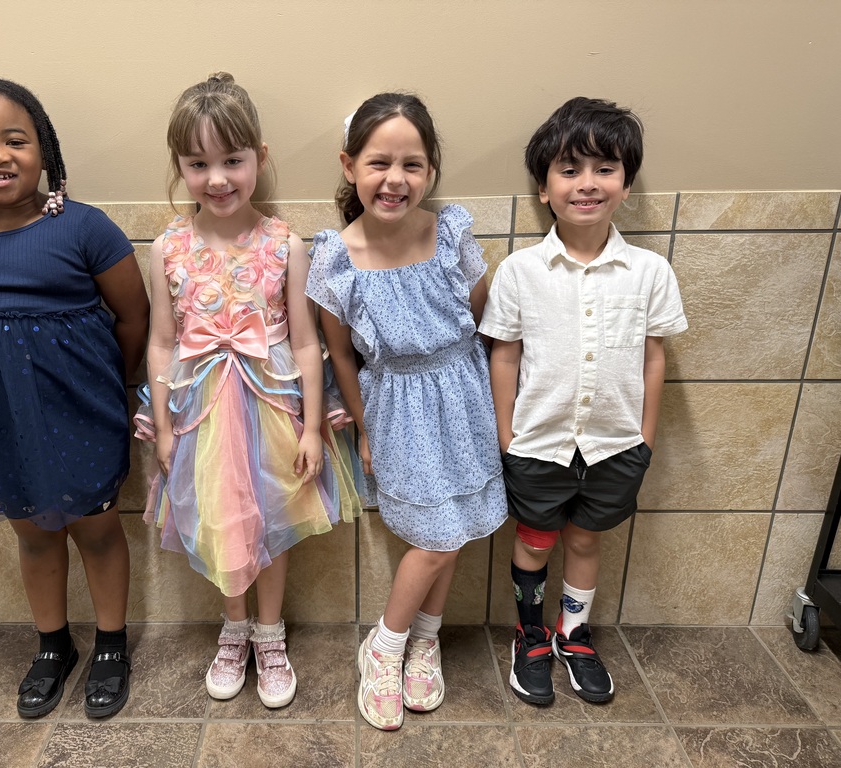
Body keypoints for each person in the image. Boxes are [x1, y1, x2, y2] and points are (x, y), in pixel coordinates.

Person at [0, 77, 149, 719]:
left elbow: (133, 317)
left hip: (83, 407)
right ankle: (51, 644)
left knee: (95, 529)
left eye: (14, 140)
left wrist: (112, 388)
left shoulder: (85, 228)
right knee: (34, 532)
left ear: (43, 150)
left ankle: (110, 642)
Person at [135, 73, 360, 710]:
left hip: (272, 409)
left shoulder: (285, 245)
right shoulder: (168, 249)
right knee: (220, 519)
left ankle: (270, 632)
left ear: (259, 159)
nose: (218, 178)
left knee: (273, 517)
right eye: (198, 164)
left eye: (232, 160)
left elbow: (310, 343)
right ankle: (233, 629)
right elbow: (160, 342)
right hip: (200, 413)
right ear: (179, 167)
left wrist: (314, 426)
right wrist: (166, 424)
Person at [306, 93, 508, 730]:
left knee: (457, 532)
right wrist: (364, 427)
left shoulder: (450, 234)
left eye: (413, 165)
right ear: (349, 165)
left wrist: (486, 401)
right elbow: (341, 355)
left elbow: (482, 318)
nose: (396, 179)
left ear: (431, 170)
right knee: (433, 537)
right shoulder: (337, 257)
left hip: (464, 394)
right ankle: (385, 645)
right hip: (396, 405)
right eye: (379, 163)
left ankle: (426, 638)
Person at [480, 97, 687, 705]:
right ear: (544, 188)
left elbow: (654, 357)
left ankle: (575, 634)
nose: (587, 184)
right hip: (536, 441)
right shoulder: (520, 271)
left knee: (587, 540)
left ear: (625, 183)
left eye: (605, 168)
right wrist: (506, 437)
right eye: (569, 170)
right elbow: (505, 355)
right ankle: (531, 635)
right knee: (534, 538)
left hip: (616, 445)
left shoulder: (649, 272)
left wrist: (644, 438)